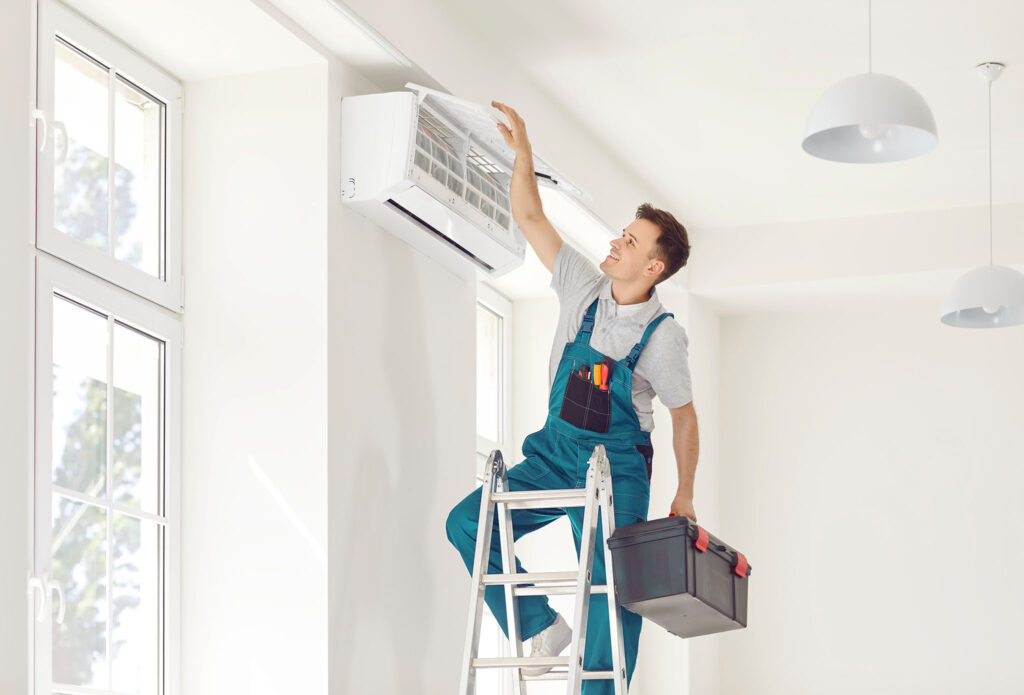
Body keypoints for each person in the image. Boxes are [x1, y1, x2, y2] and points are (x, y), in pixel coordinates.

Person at [445, 100, 699, 692]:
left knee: (613, 594)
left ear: (654, 266)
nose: (616, 242)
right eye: (621, 234)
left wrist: (684, 493)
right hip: (554, 455)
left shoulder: (663, 338)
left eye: (630, 241)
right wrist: (524, 154)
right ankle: (537, 625)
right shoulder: (583, 286)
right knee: (467, 524)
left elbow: (685, 419)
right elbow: (531, 217)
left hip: (618, 472)